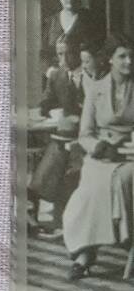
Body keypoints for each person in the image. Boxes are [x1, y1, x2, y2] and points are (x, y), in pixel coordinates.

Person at [62, 36, 134, 280]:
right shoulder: (96, 89)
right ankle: (84, 255)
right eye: (123, 56)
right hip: (101, 156)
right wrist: (101, 147)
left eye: (132, 56)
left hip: (131, 156)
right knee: (89, 190)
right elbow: (85, 134)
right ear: (111, 59)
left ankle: (125, 239)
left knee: (122, 179)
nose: (129, 61)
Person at [29, 38, 92, 232]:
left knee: (59, 156)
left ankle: (55, 216)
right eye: (59, 54)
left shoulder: (91, 74)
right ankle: (49, 215)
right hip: (64, 134)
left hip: (88, 134)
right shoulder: (56, 76)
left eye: (67, 53)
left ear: (78, 53)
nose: (63, 58)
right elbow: (46, 103)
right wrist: (48, 111)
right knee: (55, 151)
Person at [44, 0, 102, 77]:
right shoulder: (50, 22)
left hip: (84, 76)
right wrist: (49, 69)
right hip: (58, 77)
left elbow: (98, 50)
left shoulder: (90, 19)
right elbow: (44, 53)